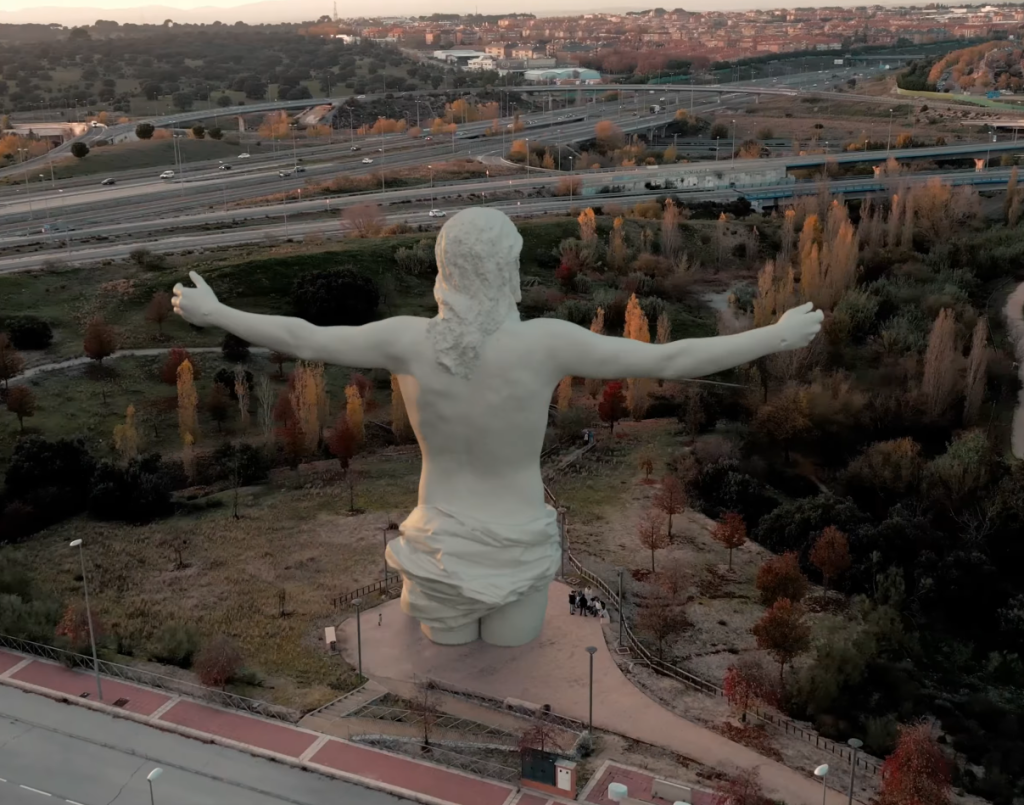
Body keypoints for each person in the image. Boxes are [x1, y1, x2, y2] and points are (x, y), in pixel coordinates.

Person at [172, 208, 823, 648]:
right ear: (504, 271)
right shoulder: (544, 344)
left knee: (453, 679)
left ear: (445, 270)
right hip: (515, 542)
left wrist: (217, 311)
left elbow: (303, 335)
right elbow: (671, 359)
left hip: (437, 548)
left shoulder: (408, 341)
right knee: (504, 675)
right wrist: (774, 334)